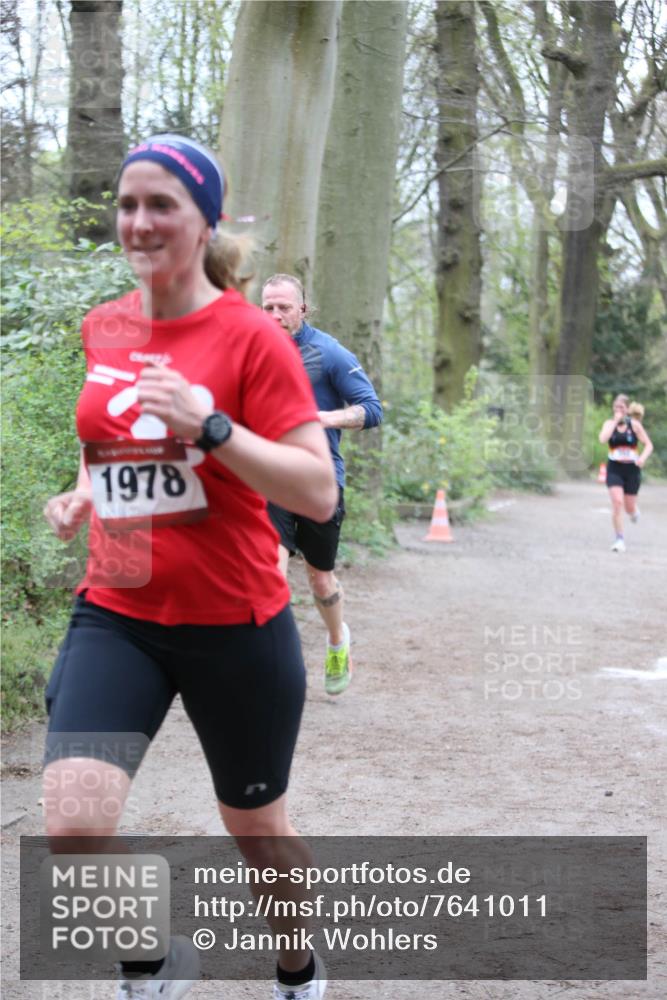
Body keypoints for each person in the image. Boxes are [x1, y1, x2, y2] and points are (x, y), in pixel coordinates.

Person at [42, 135, 336, 1000]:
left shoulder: (252, 339)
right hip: (118, 611)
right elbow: (109, 438)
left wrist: (212, 427)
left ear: (206, 221)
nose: (139, 222)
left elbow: (316, 491)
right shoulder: (106, 324)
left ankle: (297, 968)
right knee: (73, 825)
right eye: (127, 205)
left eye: (161, 205)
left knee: (257, 831)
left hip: (233, 624)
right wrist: (83, 492)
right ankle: (152, 962)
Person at [261, 274, 383, 695]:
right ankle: (276, 667)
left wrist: (323, 418)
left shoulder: (328, 352)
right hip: (271, 478)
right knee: (269, 574)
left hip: (319, 480)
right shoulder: (252, 350)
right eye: (268, 308)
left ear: (302, 308)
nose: (275, 315)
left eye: (284, 307)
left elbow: (372, 409)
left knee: (320, 579)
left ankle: (336, 642)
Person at [598, 394, 653, 552]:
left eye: (622, 407)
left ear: (627, 410)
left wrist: (642, 458)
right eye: (616, 407)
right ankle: (619, 539)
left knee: (629, 508)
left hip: (632, 470)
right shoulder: (609, 424)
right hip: (614, 468)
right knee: (617, 502)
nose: (618, 410)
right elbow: (602, 439)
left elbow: (649, 445)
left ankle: (634, 512)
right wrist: (615, 422)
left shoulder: (635, 425)